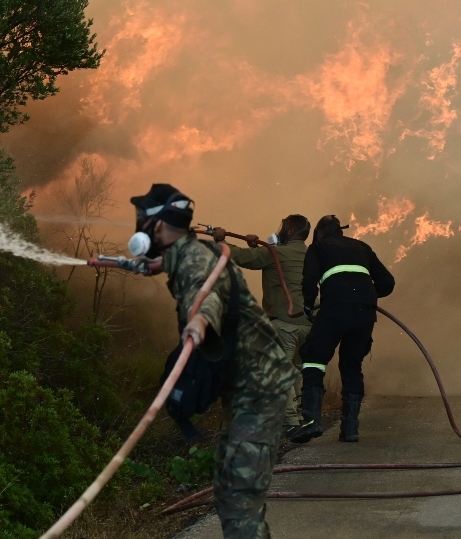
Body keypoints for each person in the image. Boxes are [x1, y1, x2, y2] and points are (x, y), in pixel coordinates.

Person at [129, 184, 294, 538]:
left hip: (260, 387)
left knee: (238, 499)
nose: (138, 224)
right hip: (245, 384)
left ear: (157, 227)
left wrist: (198, 324)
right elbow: (193, 266)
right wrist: (158, 262)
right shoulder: (189, 252)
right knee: (229, 487)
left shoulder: (198, 263)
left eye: (142, 218)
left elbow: (207, 295)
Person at [291, 215, 395, 444]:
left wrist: (308, 306)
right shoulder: (362, 247)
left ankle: (311, 421)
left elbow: (309, 280)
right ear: (340, 231)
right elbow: (388, 283)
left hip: (334, 310)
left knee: (313, 358)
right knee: (351, 365)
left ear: (319, 232)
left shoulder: (317, 248)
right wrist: (362, 295)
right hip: (364, 313)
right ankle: (350, 429)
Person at [212, 216, 312, 436]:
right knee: (299, 372)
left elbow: (238, 257)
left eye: (285, 227)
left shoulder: (275, 253)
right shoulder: (310, 254)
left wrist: (220, 240)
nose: (281, 230)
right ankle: (304, 418)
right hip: (309, 325)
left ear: (293, 229)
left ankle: (290, 424)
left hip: (285, 325)